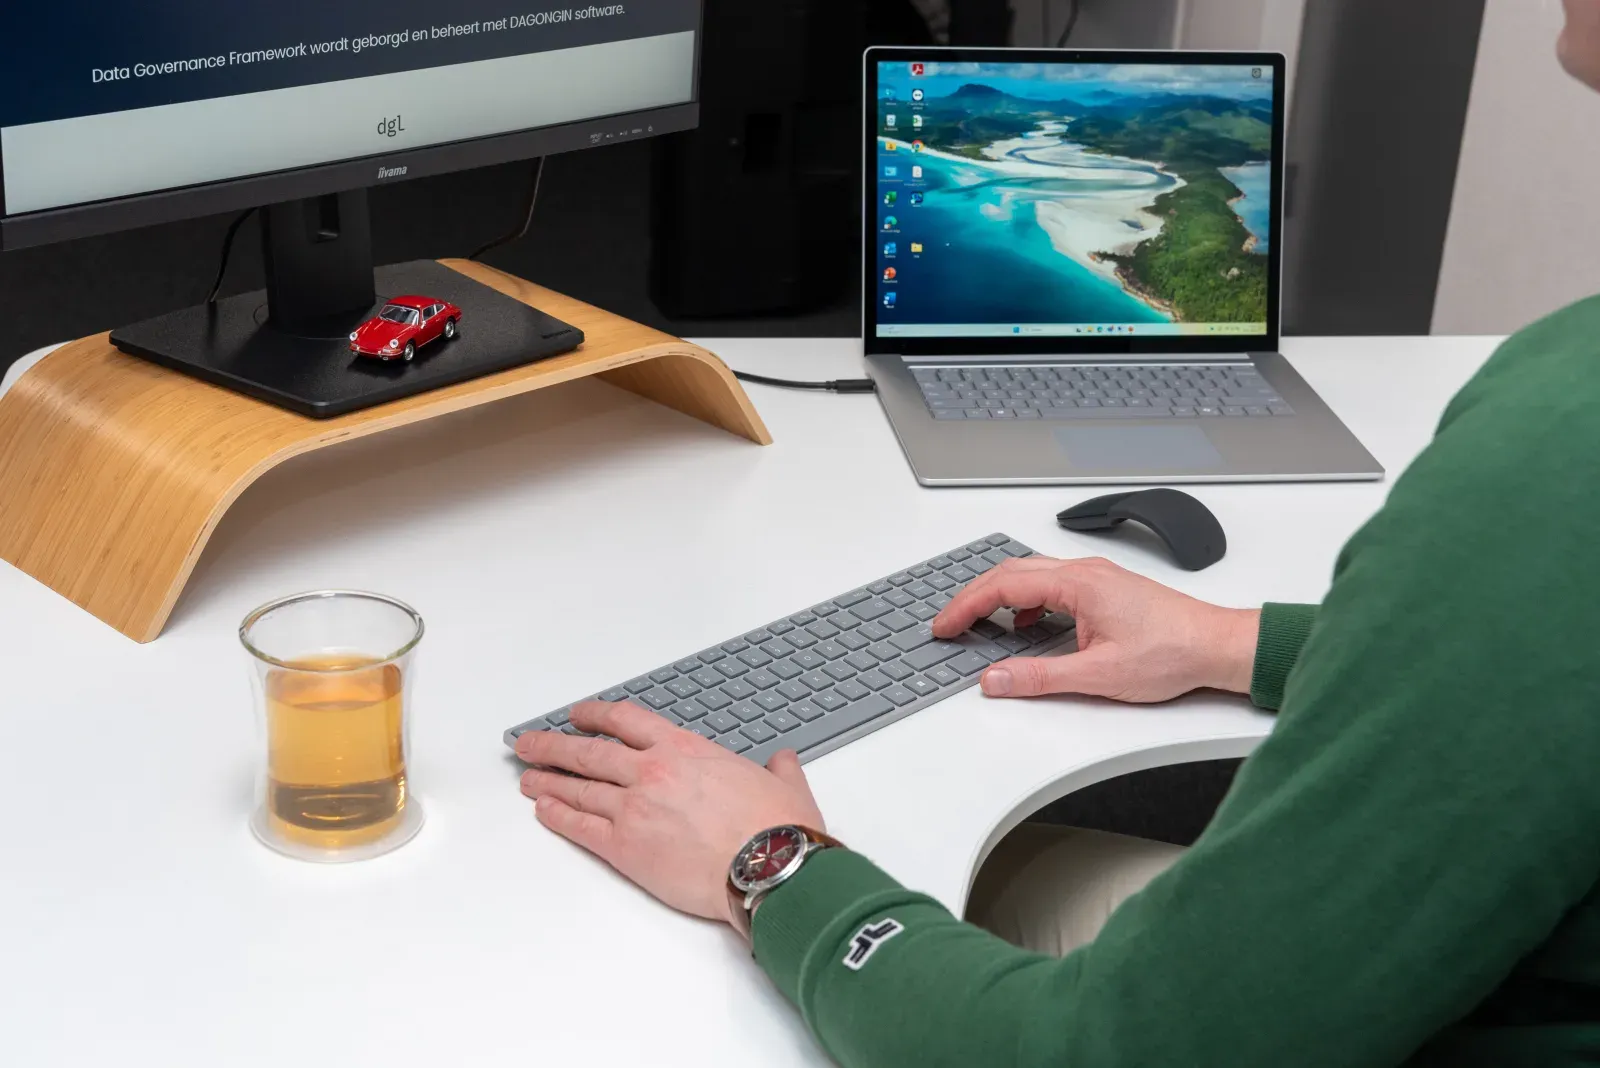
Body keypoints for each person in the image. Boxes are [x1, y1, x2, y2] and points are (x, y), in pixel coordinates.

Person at [513, 6, 1600, 1063]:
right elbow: (1548, 663)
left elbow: (1100, 1047)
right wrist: (1230, 641)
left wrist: (770, 864)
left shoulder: (1561, 445)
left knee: (760, 962)